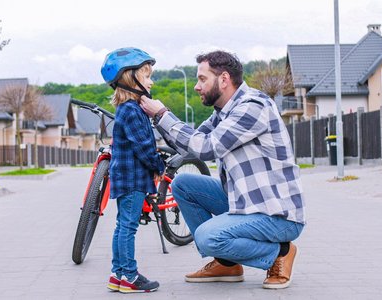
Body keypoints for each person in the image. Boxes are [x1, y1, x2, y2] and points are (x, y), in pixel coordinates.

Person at [140, 50, 305, 289]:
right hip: (245, 202)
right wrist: (155, 118)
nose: (197, 86)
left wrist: (163, 114)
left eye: (202, 79)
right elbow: (192, 143)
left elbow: (207, 147)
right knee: (183, 184)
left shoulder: (253, 107)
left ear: (224, 79)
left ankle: (281, 251)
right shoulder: (224, 112)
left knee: (206, 237)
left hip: (275, 214)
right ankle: (227, 263)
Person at [100, 47, 165, 293]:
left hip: (124, 177)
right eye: (147, 76)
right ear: (131, 79)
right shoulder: (133, 111)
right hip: (133, 178)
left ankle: (117, 274)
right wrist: (158, 166)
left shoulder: (126, 110)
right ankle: (129, 275)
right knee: (128, 227)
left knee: (122, 225)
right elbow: (145, 147)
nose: (151, 81)